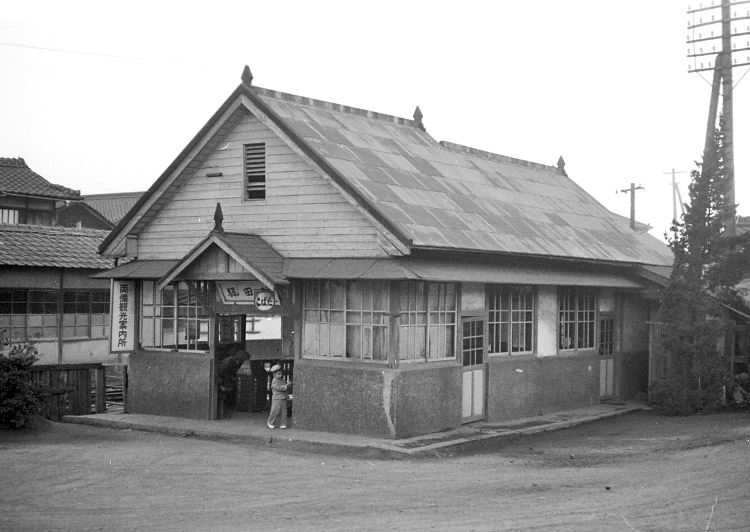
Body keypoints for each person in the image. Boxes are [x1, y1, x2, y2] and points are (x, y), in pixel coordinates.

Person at [218, 350, 250, 417]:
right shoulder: (229, 362)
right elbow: (221, 371)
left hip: (228, 380)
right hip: (223, 380)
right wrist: (231, 378)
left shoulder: (236, 362)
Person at [267, 364, 291, 429]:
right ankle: (270, 422)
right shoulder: (274, 381)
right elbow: (278, 388)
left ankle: (283, 423)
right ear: (274, 374)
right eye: (278, 374)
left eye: (281, 374)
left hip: (283, 398)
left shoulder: (282, 380)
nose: (280, 375)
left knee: (284, 412)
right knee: (275, 411)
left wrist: (288, 384)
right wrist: (285, 386)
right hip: (277, 398)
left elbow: (285, 385)